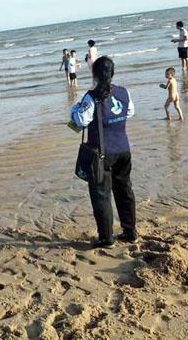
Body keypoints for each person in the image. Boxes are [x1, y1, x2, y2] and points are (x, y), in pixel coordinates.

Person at [70, 56, 136, 248]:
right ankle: (130, 232)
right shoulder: (123, 92)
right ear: (112, 73)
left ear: (95, 75)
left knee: (101, 195)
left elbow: (80, 120)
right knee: (125, 191)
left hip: (102, 154)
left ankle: (106, 238)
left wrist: (75, 108)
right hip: (123, 149)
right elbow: (130, 112)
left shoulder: (92, 96)